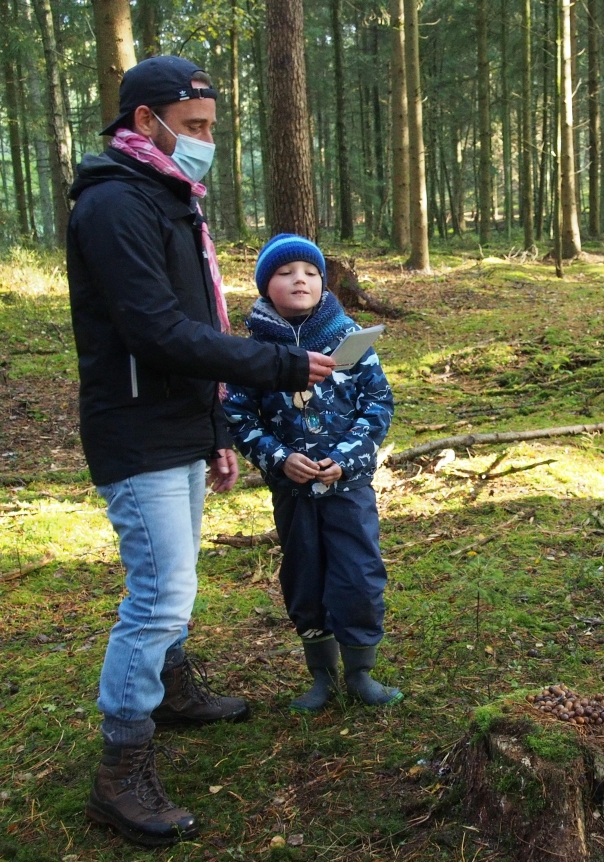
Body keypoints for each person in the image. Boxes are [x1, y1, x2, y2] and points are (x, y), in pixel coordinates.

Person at [66, 56, 337, 847]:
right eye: (194, 129)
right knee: (158, 594)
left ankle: (171, 689)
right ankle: (120, 770)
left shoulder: (169, 196)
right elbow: (155, 331)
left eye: (212, 128)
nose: (206, 143)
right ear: (145, 122)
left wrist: (213, 428)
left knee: (173, 579)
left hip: (176, 420)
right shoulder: (116, 204)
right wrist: (276, 364)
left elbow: (190, 318)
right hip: (135, 427)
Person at [224, 234, 403, 714]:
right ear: (266, 288)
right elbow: (239, 418)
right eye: (284, 273)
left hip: (348, 488)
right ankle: (321, 676)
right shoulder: (254, 352)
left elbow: (378, 405)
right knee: (305, 576)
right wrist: (280, 458)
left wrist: (349, 457)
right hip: (294, 493)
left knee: (360, 574)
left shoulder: (351, 338)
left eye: (309, 271)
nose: (298, 279)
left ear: (324, 282)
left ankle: (361, 671)